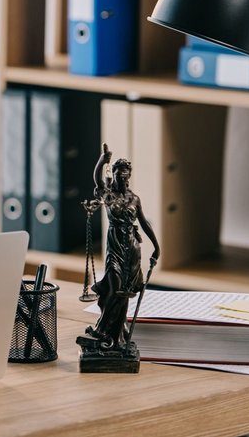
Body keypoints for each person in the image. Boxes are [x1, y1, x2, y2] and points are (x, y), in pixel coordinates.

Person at [84, 143, 160, 350]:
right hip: (115, 247)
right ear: (115, 176)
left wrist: (156, 246)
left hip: (132, 248)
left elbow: (144, 223)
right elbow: (98, 180)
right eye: (120, 177)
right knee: (115, 288)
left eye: (126, 177)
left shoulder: (134, 199)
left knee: (125, 292)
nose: (124, 181)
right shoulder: (109, 196)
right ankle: (103, 330)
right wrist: (102, 160)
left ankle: (117, 335)